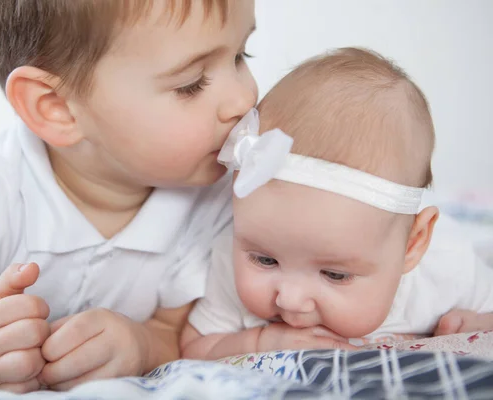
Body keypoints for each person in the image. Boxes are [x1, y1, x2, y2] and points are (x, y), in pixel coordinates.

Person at [0, 0, 259, 392]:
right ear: (56, 108)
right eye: (191, 83)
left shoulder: (216, 196)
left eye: (241, 55)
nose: (244, 98)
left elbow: (178, 332)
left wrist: (142, 344)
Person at [181, 48, 493, 360]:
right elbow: (194, 348)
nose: (290, 299)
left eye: (334, 275)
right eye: (265, 261)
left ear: (413, 244)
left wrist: (479, 322)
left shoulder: (447, 269)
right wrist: (258, 342)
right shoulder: (229, 255)